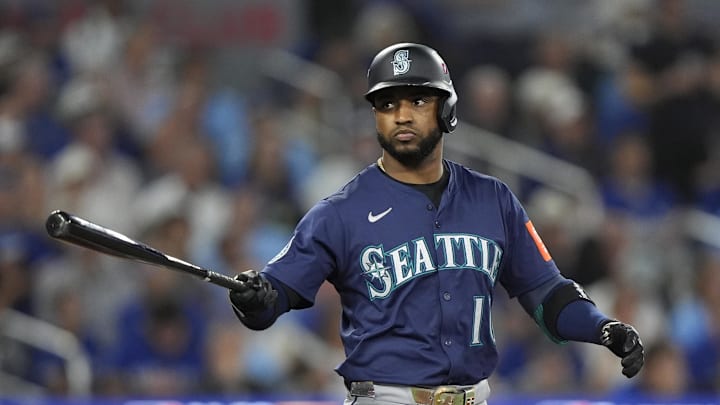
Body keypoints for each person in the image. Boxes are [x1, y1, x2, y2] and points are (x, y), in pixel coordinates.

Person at [228, 42, 645, 405]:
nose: (402, 115)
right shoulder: (339, 212)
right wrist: (254, 297)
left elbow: (548, 298)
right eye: (387, 103)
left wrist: (603, 327)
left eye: (418, 101)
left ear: (447, 109)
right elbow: (273, 296)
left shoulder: (493, 199)